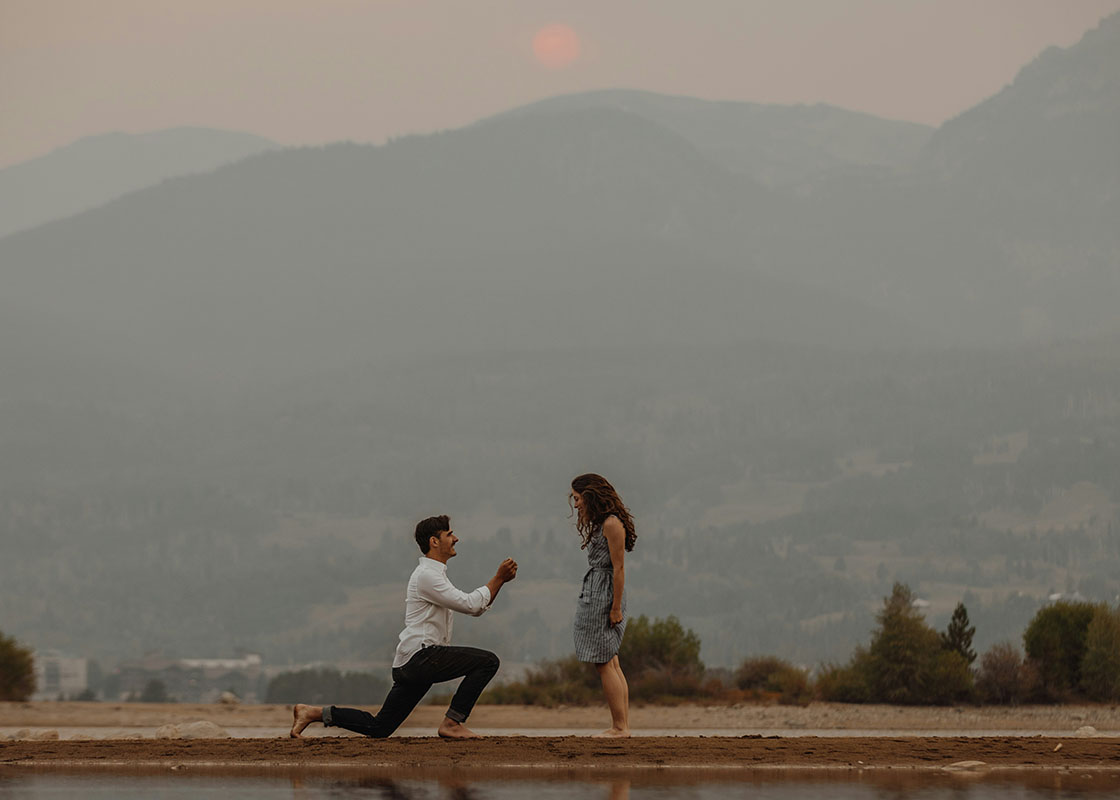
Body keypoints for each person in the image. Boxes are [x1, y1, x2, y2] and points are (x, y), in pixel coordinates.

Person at [290, 515, 517, 740]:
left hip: (410, 663)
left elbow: (475, 608)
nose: (456, 538)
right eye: (449, 534)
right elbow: (470, 605)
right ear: (434, 542)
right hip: (422, 658)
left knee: (379, 728)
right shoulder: (427, 575)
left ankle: (313, 713)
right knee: (488, 662)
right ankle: (452, 723)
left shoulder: (434, 574)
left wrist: (499, 581)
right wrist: (498, 578)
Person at [570, 473, 637, 738]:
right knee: (611, 660)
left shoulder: (611, 524)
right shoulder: (602, 522)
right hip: (596, 588)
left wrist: (616, 607)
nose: (575, 505)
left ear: (589, 495)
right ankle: (623, 726)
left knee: (604, 661)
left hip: (603, 593)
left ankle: (620, 726)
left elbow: (619, 568)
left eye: (577, 498)